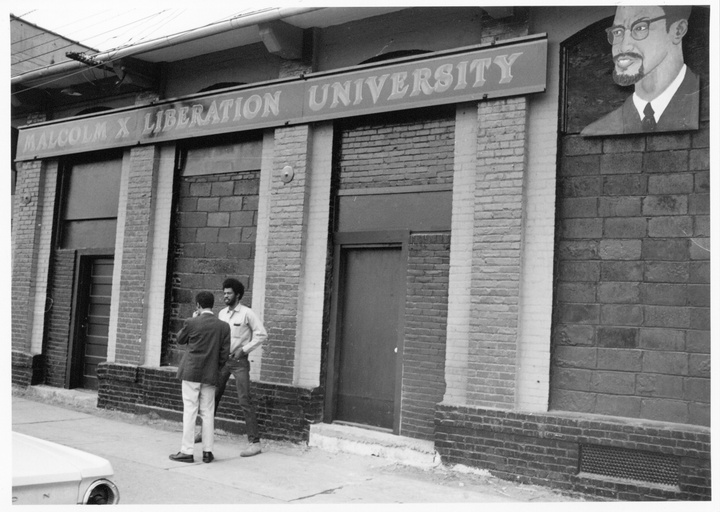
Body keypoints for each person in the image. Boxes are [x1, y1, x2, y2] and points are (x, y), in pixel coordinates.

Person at [581, 5, 699, 136]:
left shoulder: (709, 106)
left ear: (678, 30)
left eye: (640, 28)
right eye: (618, 32)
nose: (624, 47)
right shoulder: (598, 129)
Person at [195, 278, 267, 457]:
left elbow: (261, 334)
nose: (225, 296)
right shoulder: (221, 314)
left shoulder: (247, 313)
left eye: (229, 293)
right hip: (222, 362)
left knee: (245, 399)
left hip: (239, 362)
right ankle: (204, 432)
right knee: (213, 396)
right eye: (224, 293)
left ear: (238, 295)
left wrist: (244, 350)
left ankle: (255, 443)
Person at [169, 291, 230, 464]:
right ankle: (207, 452)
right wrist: (214, 369)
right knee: (208, 413)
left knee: (190, 411)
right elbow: (224, 354)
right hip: (210, 375)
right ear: (213, 305)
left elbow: (180, 339)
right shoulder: (224, 326)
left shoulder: (192, 322)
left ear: (197, 305)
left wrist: (192, 318)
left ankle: (187, 451)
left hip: (191, 372)